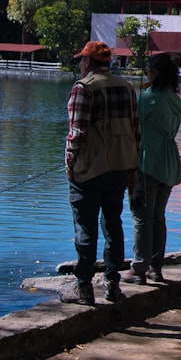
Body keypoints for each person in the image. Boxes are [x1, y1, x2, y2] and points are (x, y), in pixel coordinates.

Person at [60, 41, 140, 306]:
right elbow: (136, 132)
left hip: (89, 171)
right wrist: (133, 168)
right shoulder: (127, 88)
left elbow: (77, 133)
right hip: (120, 167)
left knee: (85, 228)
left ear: (88, 63)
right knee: (113, 225)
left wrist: (69, 164)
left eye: (81, 61)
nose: (79, 65)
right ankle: (112, 283)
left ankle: (83, 287)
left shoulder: (83, 88)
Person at [122, 53, 181, 285]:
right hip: (169, 163)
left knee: (142, 217)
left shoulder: (147, 98)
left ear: (155, 74)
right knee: (158, 217)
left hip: (148, 162)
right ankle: (156, 268)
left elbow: (131, 127)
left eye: (148, 70)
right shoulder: (176, 99)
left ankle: (139, 269)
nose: (145, 74)